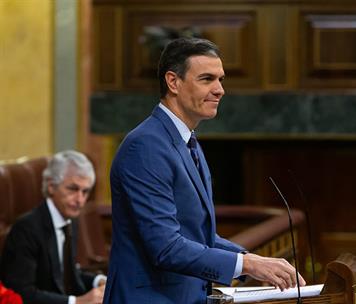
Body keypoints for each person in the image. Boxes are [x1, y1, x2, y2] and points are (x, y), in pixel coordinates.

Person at [103, 37, 306, 304]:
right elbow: (166, 247)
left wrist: (252, 259)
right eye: (207, 79)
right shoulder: (145, 146)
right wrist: (248, 265)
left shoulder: (189, 142)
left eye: (221, 79)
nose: (219, 89)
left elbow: (200, 236)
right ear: (173, 82)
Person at [0, 150, 106, 304]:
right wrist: (77, 302)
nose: (80, 200)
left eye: (85, 191)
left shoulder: (70, 219)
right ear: (51, 186)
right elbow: (21, 293)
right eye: (73, 189)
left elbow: (64, 274)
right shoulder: (26, 229)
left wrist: (99, 281)